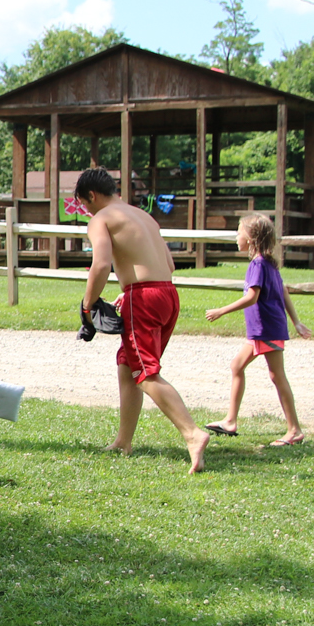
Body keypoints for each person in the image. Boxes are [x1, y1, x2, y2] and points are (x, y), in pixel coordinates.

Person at [75, 168, 211, 473]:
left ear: (91, 196)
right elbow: (169, 265)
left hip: (144, 299)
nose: (88, 212)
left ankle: (192, 434)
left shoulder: (101, 219)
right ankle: (123, 441)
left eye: (85, 205)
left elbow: (101, 265)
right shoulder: (144, 216)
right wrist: (130, 290)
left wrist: (87, 305)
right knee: (128, 364)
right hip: (167, 294)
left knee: (145, 372)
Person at [204, 213, 314, 447]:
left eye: (239, 232)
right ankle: (230, 421)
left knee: (277, 376)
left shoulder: (259, 264)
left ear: (251, 238)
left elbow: (252, 297)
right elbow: (283, 290)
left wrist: (222, 310)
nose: (236, 237)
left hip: (267, 329)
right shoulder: (267, 263)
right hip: (261, 330)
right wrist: (296, 322)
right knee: (237, 366)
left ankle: (294, 430)